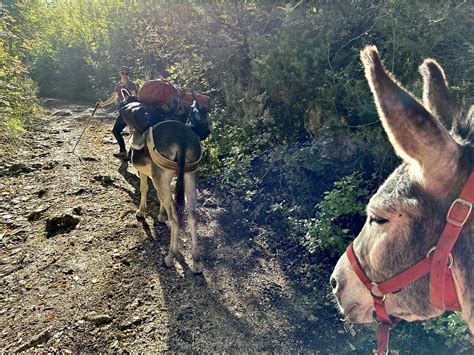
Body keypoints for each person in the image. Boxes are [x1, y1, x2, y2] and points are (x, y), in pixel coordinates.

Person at [97, 66, 139, 159]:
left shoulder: (132, 84)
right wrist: (102, 104)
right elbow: (114, 98)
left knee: (134, 132)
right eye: (123, 73)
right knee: (116, 131)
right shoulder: (118, 85)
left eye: (126, 73)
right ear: (120, 73)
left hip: (132, 112)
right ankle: (123, 151)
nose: (124, 75)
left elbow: (134, 98)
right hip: (123, 112)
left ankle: (132, 154)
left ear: (128, 74)